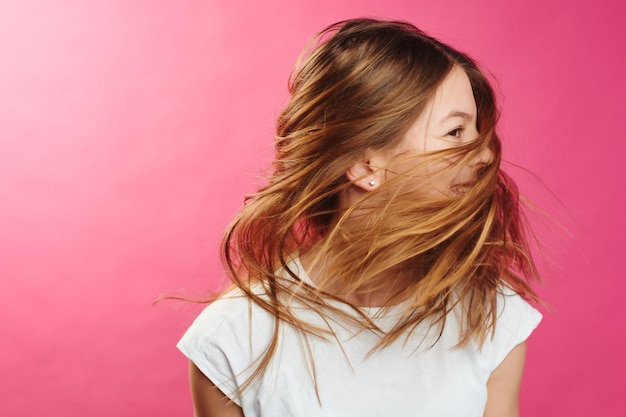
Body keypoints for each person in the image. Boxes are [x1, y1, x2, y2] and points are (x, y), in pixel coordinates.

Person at [178, 18, 542, 417]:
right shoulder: (233, 339)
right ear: (364, 165)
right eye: (455, 132)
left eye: (478, 130)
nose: (486, 154)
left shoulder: (491, 316)